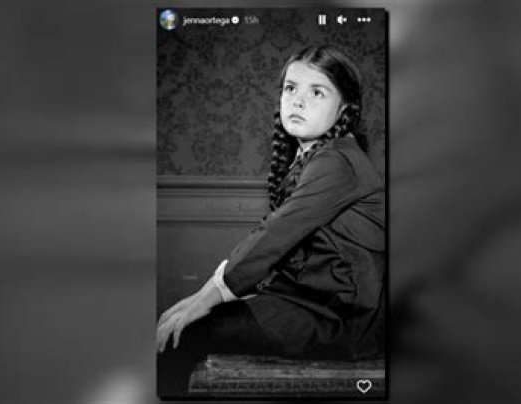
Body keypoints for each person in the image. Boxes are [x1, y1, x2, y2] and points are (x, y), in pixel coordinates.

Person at [156, 45, 386, 397]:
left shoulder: (338, 160)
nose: (298, 101)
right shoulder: (319, 157)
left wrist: (208, 296)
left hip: (336, 318)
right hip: (309, 302)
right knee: (186, 326)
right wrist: (225, 295)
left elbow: (274, 236)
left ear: (344, 108)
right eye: (290, 88)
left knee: (184, 333)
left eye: (317, 92)